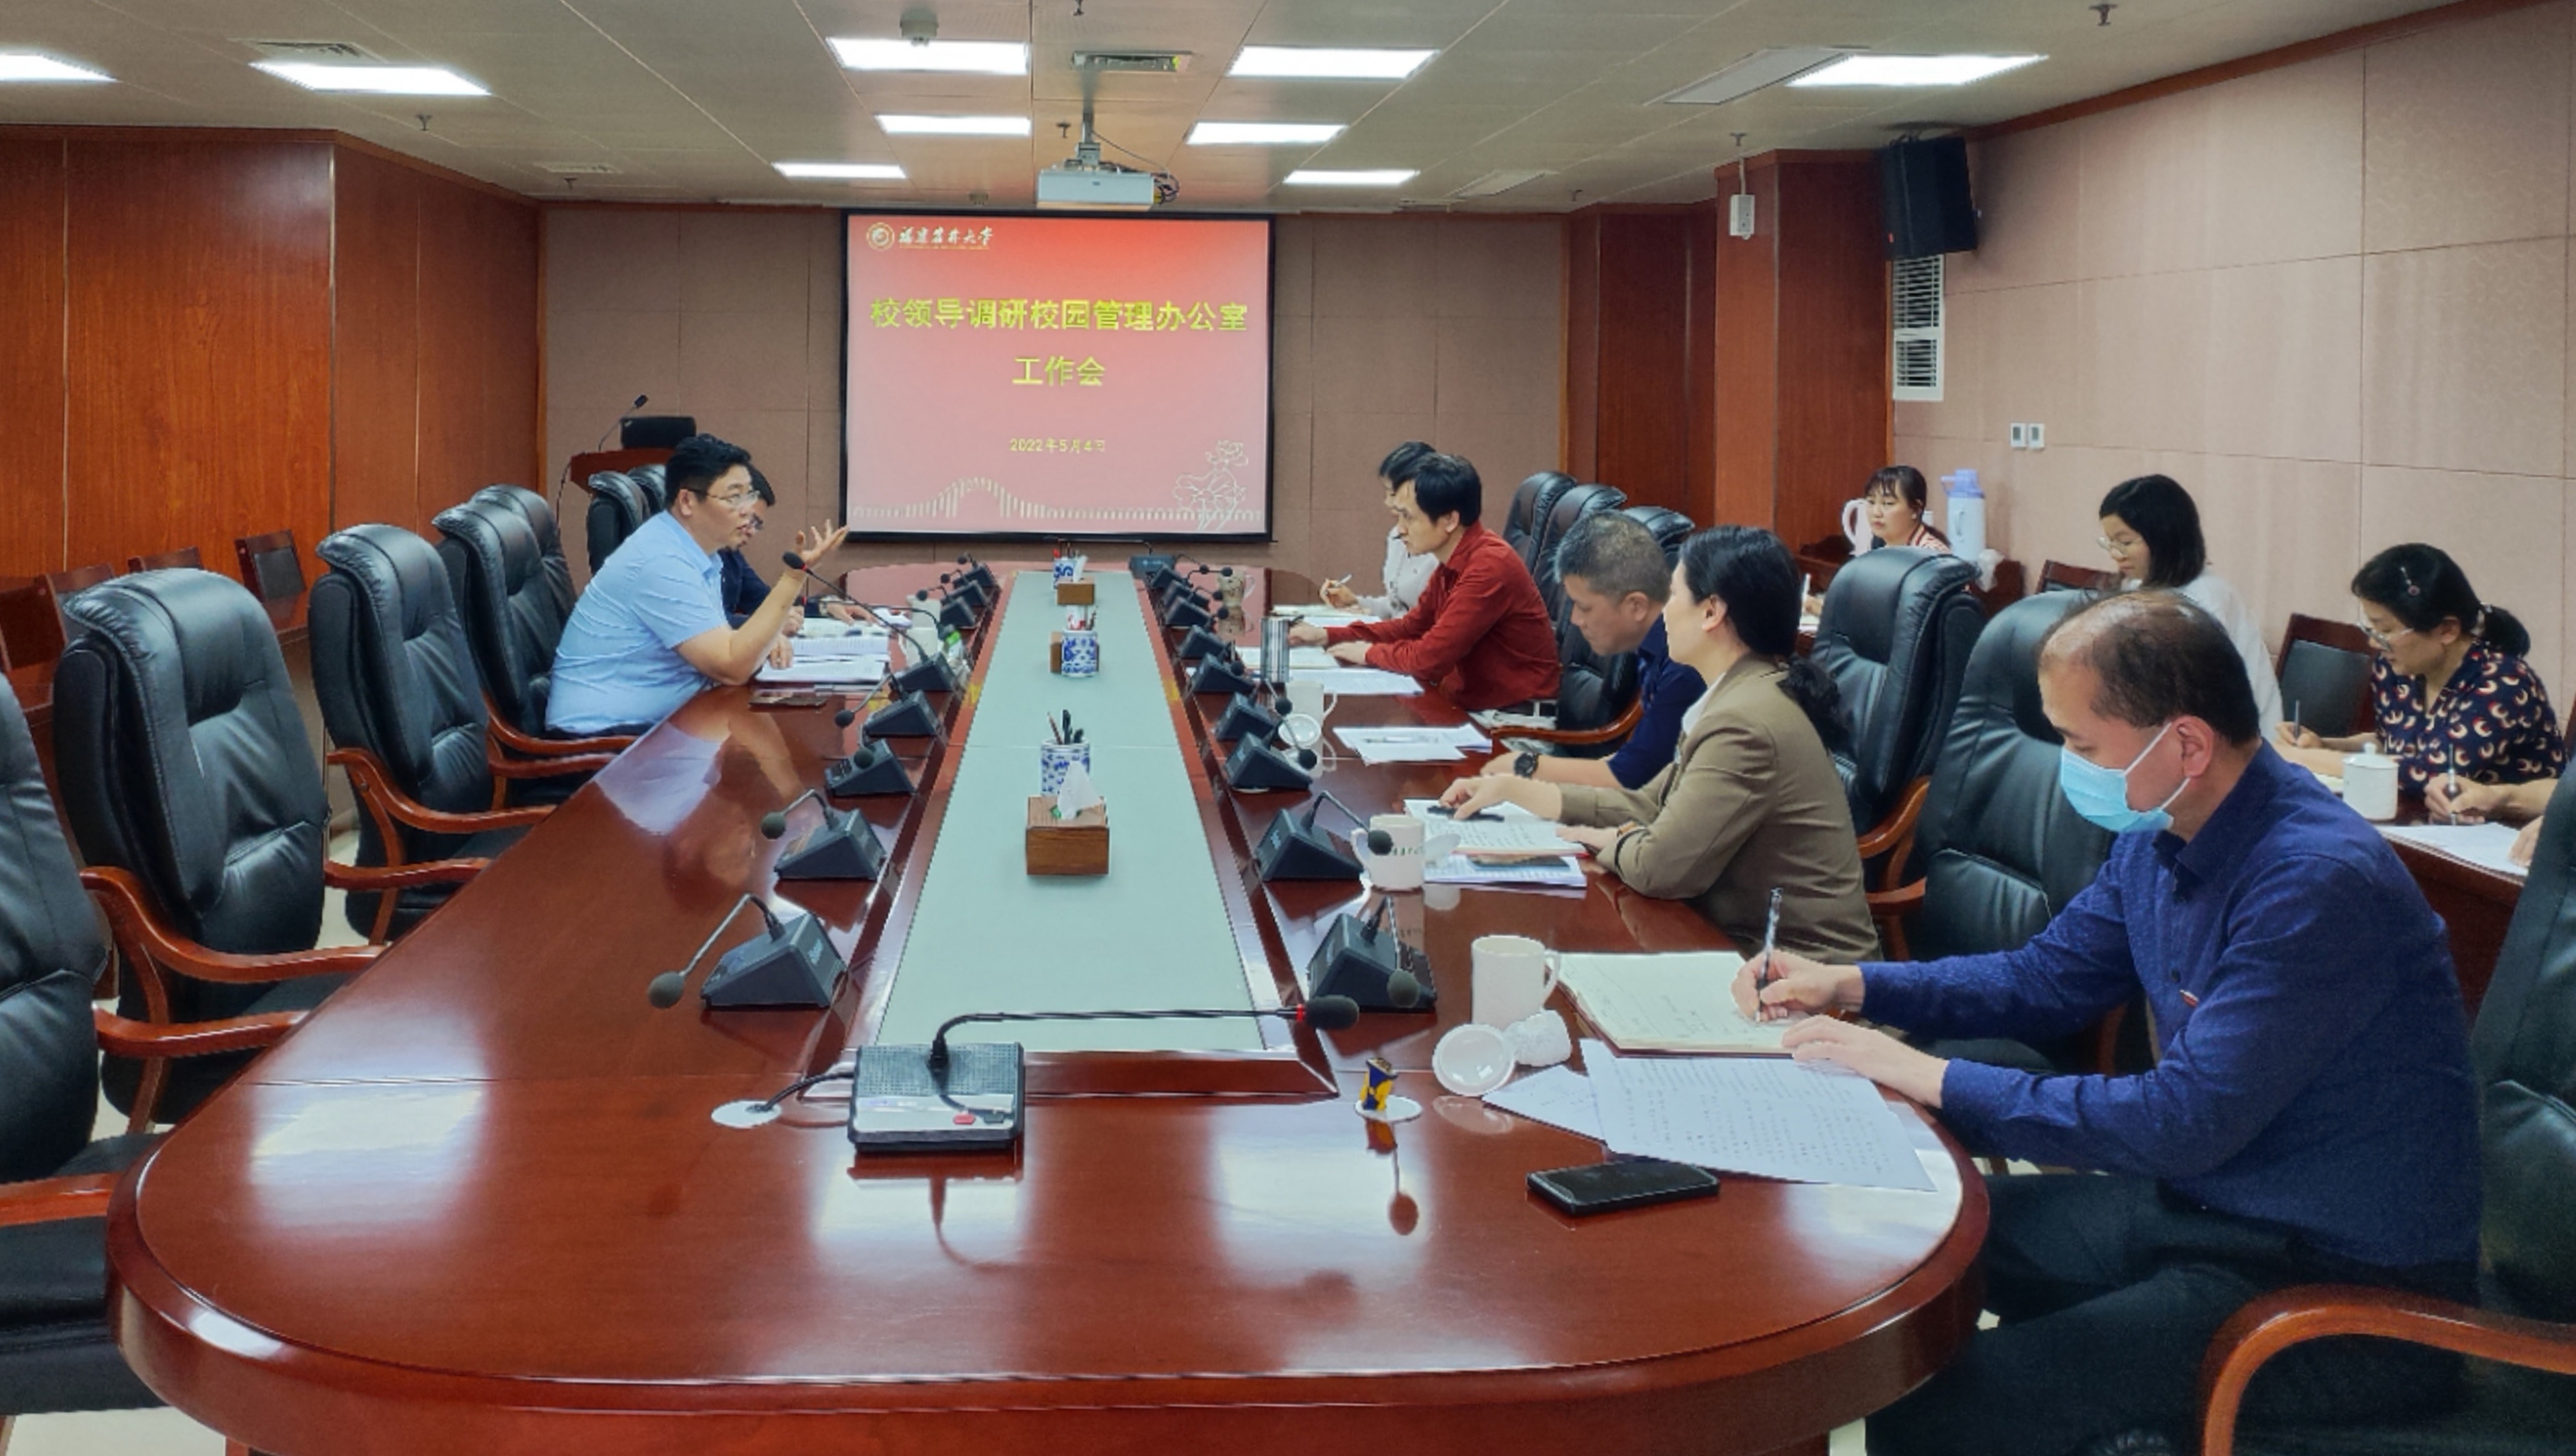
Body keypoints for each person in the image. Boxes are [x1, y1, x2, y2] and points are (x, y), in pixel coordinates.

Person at [1739, 591, 2479, 1456]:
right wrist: (1852, 986)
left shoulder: (2314, 883)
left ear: (2187, 744)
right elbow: (2043, 979)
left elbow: (2179, 1121)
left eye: (2081, 745)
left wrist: (1923, 1074)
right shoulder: (2161, 832)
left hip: (2341, 1290)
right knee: (1896, 1246)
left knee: (1941, 1408)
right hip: (2210, 1211)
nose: (2067, 765)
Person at [1441, 526, 1878, 961]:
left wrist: (1607, 840)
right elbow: (1651, 803)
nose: (1664, 612)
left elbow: (1659, 869)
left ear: (1711, 612)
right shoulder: (1738, 695)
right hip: (1745, 950)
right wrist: (1520, 792)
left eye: (1673, 596)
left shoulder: (1744, 722)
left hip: (1802, 975)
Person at [548, 434, 847, 736]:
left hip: (667, 724)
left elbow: (727, 651)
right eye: (734, 498)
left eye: (749, 496)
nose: (747, 511)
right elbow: (731, 666)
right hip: (607, 738)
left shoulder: (703, 556)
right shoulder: (661, 560)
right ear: (687, 501)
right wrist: (794, 577)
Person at [2277, 543, 2565, 800]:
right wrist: (2324, 745)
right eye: (2371, 628)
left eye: (2385, 630)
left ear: (2447, 630)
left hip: (2511, 832)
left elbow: (2430, 776)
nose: (2374, 643)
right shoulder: (2398, 668)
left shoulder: (2503, 683)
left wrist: (2300, 758)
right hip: (2423, 823)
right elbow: (2390, 744)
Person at [1285, 452, 1559, 712]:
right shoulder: (1453, 562)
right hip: (1474, 709)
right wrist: (1327, 635)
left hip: (1514, 720)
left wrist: (1368, 653)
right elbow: (1411, 627)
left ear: (1449, 520)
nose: (1400, 529)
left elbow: (1429, 659)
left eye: (1409, 517)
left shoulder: (1489, 566)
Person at [1475, 511, 1702, 789]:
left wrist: (1526, 771)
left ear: (1636, 606)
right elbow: (1633, 761)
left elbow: (1637, 776)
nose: (1575, 620)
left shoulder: (1684, 667)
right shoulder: (1656, 644)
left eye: (1584, 608)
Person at [2098, 473, 2283, 728]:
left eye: (2125, 542)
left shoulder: (2206, 600)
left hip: (2231, 736)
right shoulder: (2134, 585)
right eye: (2110, 543)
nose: (2115, 554)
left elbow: (2189, 695)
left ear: (2164, 538)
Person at [1805, 465, 1948, 613]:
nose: (1876, 512)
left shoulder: (1931, 557)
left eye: (1888, 504)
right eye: (1871, 502)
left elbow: (1912, 617)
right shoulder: (1882, 550)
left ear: (1915, 509)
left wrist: (1826, 612)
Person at [1320, 441, 1438, 617]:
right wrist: (1354, 603)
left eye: (1392, 493)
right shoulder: (1396, 536)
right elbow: (1395, 607)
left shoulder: (1440, 546)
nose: (1388, 502)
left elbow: (1428, 624)